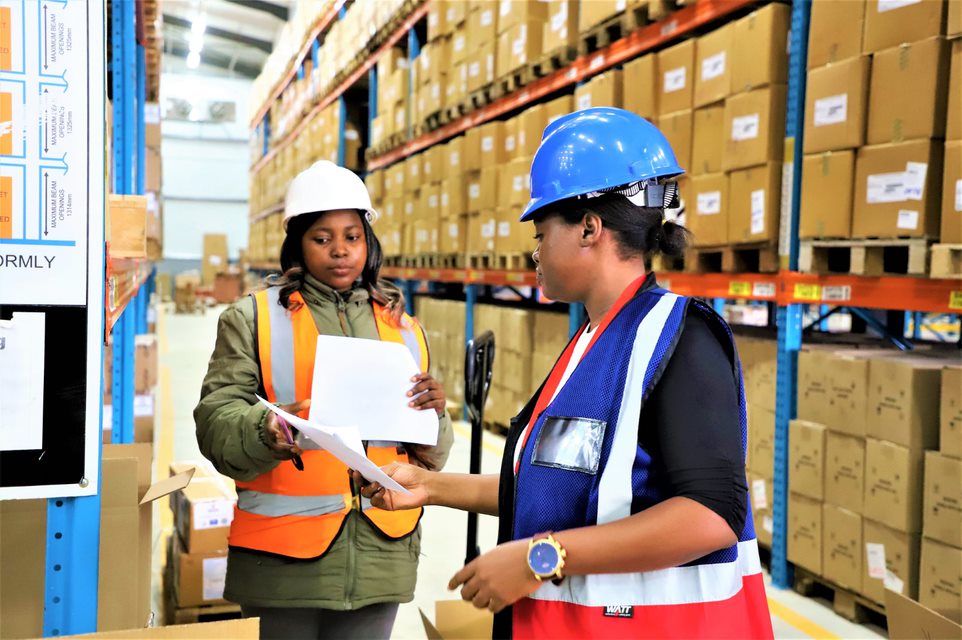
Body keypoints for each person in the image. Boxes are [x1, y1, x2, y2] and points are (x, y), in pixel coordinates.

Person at [357, 108, 774, 639]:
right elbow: (555, 485)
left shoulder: (680, 337)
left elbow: (710, 512)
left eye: (540, 231)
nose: (534, 253)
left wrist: (539, 557)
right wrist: (431, 487)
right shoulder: (591, 342)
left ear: (589, 227)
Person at [194, 160, 454, 640]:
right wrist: (264, 429)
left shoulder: (403, 327)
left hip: (383, 552)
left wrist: (437, 414)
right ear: (298, 243)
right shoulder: (253, 318)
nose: (340, 250)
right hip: (282, 562)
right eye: (322, 238)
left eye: (352, 236)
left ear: (368, 242)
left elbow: (429, 457)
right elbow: (215, 422)